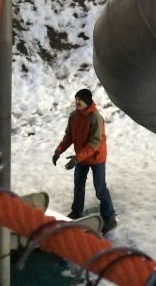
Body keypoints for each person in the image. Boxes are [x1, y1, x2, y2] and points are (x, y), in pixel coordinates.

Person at [52, 89, 117, 233]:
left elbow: (94, 143)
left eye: (80, 99)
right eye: (76, 99)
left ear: (87, 101)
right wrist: (58, 151)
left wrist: (77, 158)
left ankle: (109, 218)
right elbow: (69, 136)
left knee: (100, 188)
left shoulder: (96, 118)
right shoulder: (74, 116)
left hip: (96, 157)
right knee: (78, 185)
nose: (77, 102)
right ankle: (76, 212)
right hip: (81, 157)